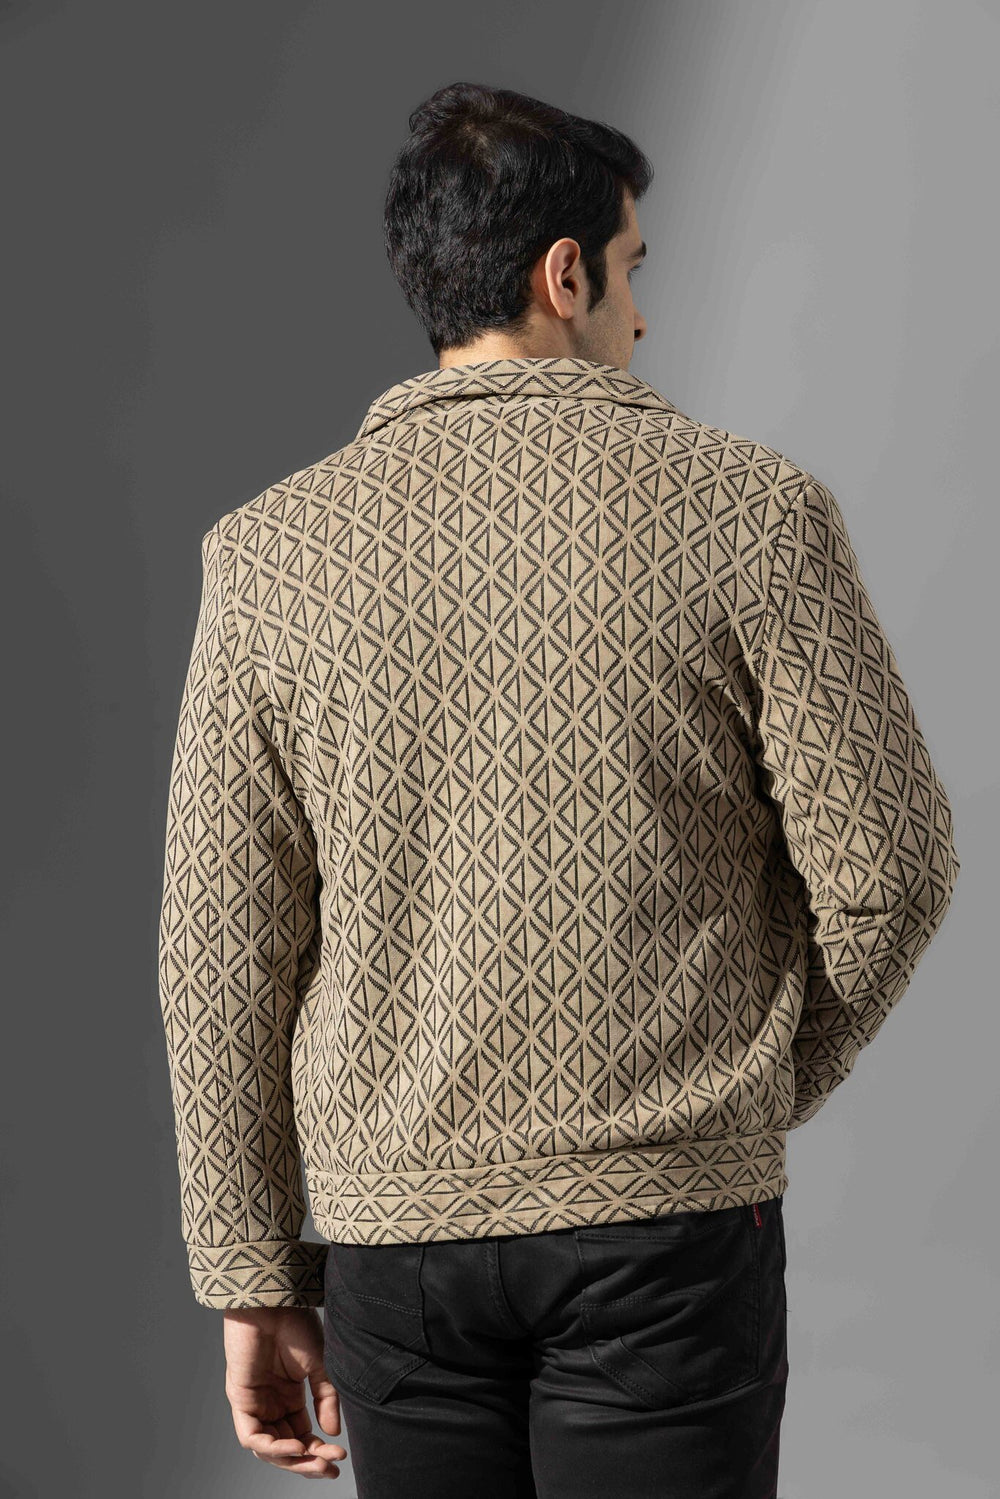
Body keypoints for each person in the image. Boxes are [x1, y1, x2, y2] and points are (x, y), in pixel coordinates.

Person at [157, 81, 961, 1497]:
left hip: (397, 1243)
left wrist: (249, 1270)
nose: (643, 318)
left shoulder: (268, 555)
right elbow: (893, 868)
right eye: (635, 269)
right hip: (667, 1227)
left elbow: (223, 948)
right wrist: (749, 1092)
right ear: (566, 273)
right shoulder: (751, 511)